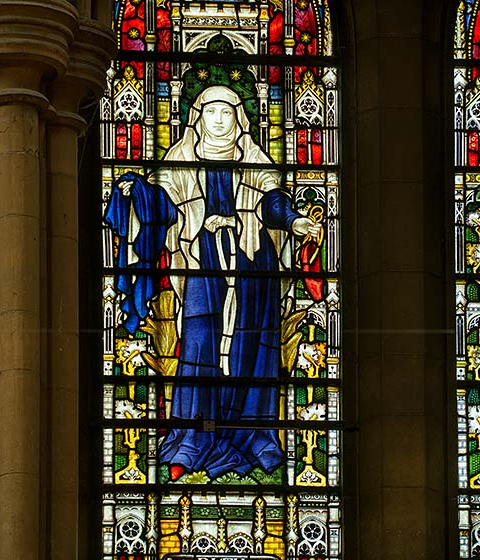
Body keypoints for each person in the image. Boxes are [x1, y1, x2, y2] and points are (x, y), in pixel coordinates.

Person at [105, 85, 320, 480]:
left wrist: (294, 220)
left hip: (252, 263)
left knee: (251, 349)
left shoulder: (255, 159)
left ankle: (253, 436)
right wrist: (137, 192)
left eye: (226, 112)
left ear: (239, 119)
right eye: (211, 112)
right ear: (197, 118)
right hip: (201, 262)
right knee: (200, 346)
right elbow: (164, 207)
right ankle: (193, 439)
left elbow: (272, 203)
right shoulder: (180, 160)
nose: (219, 120)